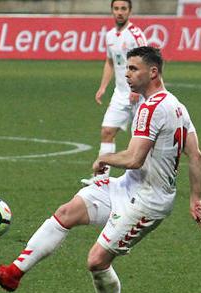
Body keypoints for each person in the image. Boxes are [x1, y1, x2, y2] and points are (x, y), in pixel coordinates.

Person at [0, 46, 201, 293]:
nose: (126, 73)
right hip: (128, 186)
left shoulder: (152, 108)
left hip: (148, 202)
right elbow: (196, 154)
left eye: (133, 69)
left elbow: (135, 158)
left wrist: (105, 159)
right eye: (126, 68)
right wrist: (195, 198)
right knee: (67, 212)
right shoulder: (177, 105)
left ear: (153, 72)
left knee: (97, 261)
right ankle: (13, 273)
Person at [81, 0, 147, 185]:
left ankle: (147, 178)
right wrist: (103, 87)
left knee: (142, 139)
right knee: (107, 131)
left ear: (130, 11)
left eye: (123, 9)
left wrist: (138, 88)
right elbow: (110, 62)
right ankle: (101, 177)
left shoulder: (136, 34)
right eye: (116, 9)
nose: (119, 12)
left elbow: (146, 61)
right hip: (120, 93)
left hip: (139, 95)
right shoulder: (110, 35)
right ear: (112, 11)